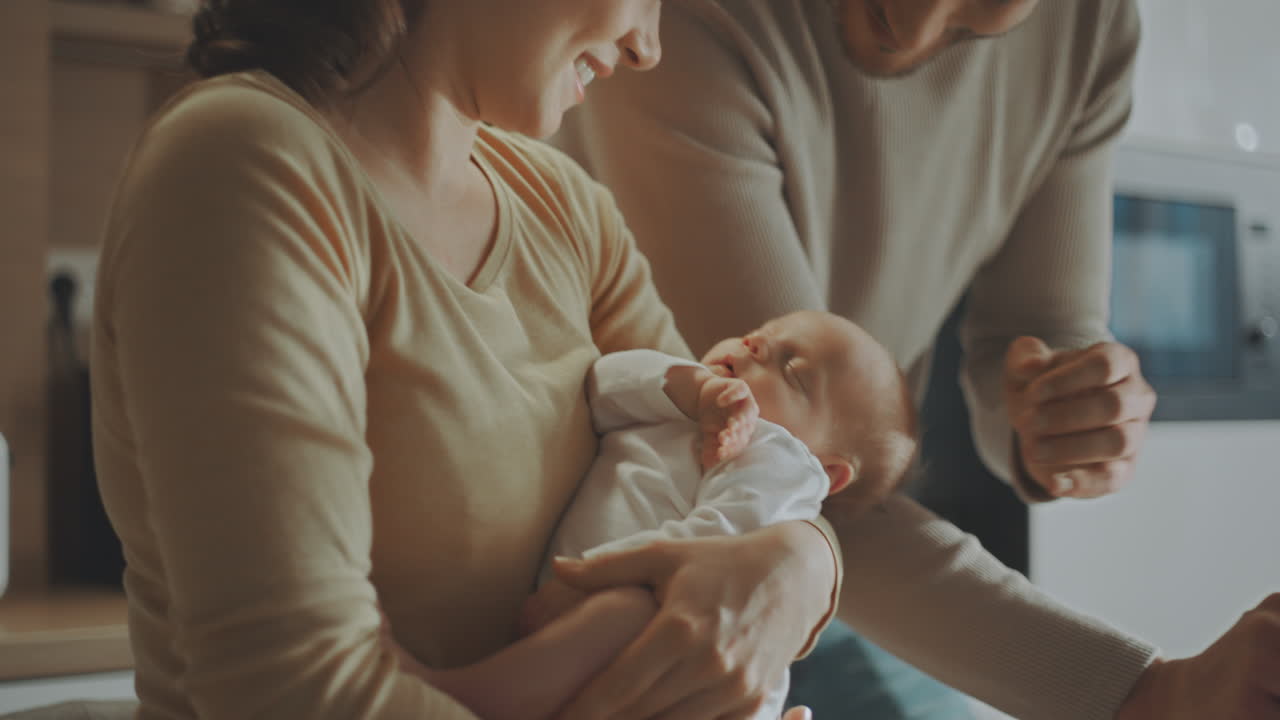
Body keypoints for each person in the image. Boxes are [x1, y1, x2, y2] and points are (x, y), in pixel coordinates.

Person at [89, 1, 839, 718]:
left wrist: (806, 569)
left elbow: (730, 455)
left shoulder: (566, 209)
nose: (649, 45)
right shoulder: (245, 163)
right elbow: (295, 694)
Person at [554, 0, 1280, 718]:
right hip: (634, 527)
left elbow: (1040, 333)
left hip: (842, 544)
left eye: (976, 12)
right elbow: (781, 462)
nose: (914, 33)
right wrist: (1142, 694)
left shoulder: (1090, 27)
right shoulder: (679, 24)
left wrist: (1063, 424)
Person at [404, 310, 916, 720]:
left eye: (792, 371)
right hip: (611, 651)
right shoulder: (684, 402)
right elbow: (597, 389)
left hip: (656, 631)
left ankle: (462, 701)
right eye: (757, 334)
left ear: (826, 471)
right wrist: (689, 390)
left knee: (624, 612)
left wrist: (597, 575)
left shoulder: (778, 456)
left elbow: (714, 544)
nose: (755, 347)